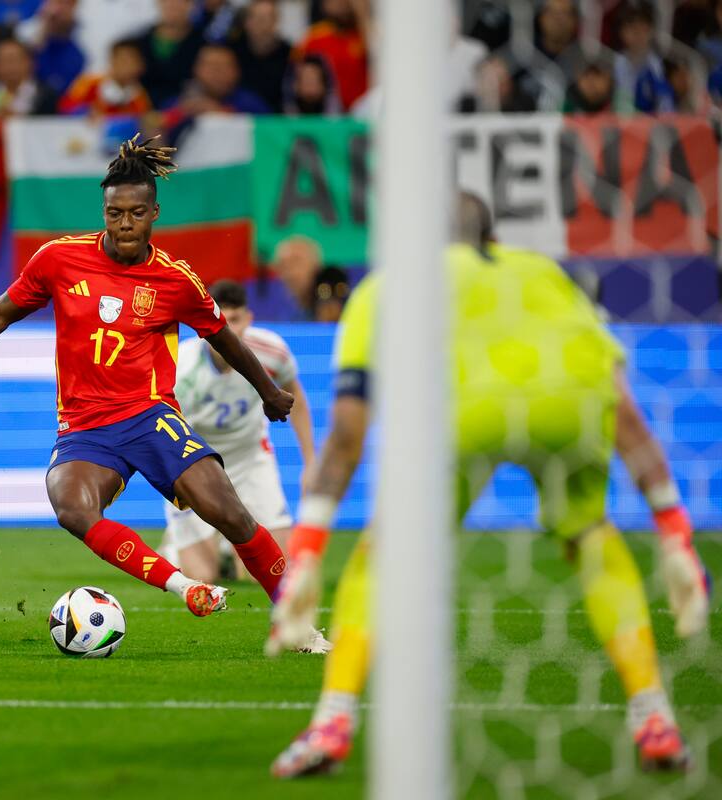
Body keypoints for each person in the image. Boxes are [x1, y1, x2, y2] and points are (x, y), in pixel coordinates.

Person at [266, 193, 711, 778]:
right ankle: (655, 717)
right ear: (493, 236)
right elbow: (621, 407)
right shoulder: (545, 275)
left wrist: (306, 552)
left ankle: (333, 721)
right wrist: (673, 529)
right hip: (565, 409)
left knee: (387, 551)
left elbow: (347, 434)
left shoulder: (391, 286)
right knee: (590, 535)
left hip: (464, 413)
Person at [0, 135, 299, 622]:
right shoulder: (59, 259)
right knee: (72, 509)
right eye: (115, 213)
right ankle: (184, 587)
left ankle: (298, 623)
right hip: (84, 428)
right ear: (104, 210)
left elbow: (222, 336)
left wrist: (267, 390)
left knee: (230, 514)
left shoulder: (176, 280)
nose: (125, 224)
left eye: (136, 214)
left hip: (150, 417)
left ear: (154, 213)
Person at [162, 280, 316, 588]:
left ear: (248, 319)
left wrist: (311, 461)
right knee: (203, 577)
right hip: (197, 465)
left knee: (275, 571)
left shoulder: (273, 352)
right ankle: (177, 547)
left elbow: (295, 398)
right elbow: (165, 424)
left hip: (250, 458)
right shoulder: (182, 367)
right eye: (222, 320)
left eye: (235, 320)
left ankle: (225, 543)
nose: (228, 329)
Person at [127, 0, 207, 108]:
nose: (173, 4)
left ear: (192, 5)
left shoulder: (204, 43)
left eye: (181, 1)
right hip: (139, 111)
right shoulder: (138, 42)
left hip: (186, 112)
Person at [58, 40, 150, 117]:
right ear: (112, 61)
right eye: (124, 61)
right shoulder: (90, 82)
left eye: (133, 62)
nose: (129, 67)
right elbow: (65, 107)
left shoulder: (139, 96)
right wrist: (85, 112)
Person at [15, 0, 86, 95]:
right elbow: (26, 45)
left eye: (68, 3)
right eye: (58, 3)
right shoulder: (29, 28)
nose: (62, 9)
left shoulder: (79, 44)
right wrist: (45, 22)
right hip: (35, 91)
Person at [232, 0, 291, 112]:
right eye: (256, 18)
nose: (261, 24)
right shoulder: (232, 52)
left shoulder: (289, 54)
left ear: (276, 22)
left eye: (266, 19)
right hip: (238, 117)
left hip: (277, 119)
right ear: (246, 22)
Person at [0, 38, 60, 117]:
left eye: (14, 60)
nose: (10, 66)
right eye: (3, 61)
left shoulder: (47, 97)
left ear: (30, 62)